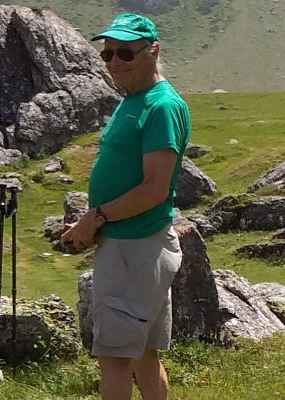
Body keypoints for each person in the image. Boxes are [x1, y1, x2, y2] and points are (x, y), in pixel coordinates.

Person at [59, 13, 189, 400]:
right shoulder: (134, 100)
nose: (114, 61)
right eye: (108, 53)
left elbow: (154, 189)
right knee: (143, 355)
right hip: (132, 243)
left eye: (126, 54)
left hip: (135, 247)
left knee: (114, 358)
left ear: (153, 51)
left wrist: (95, 218)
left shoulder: (161, 106)